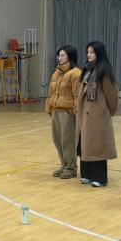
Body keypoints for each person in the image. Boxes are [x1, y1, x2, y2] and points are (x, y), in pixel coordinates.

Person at [75, 41, 119, 187]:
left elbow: (111, 95)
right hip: (84, 113)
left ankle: (100, 177)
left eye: (92, 52)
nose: (89, 55)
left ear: (99, 53)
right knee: (85, 144)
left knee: (96, 145)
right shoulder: (87, 69)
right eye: (87, 52)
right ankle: (86, 174)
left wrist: (106, 112)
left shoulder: (104, 71)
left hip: (97, 114)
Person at [46, 45, 82, 179]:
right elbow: (51, 92)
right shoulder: (56, 73)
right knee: (57, 139)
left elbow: (77, 95)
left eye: (62, 55)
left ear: (70, 57)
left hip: (68, 112)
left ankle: (71, 167)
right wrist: (49, 106)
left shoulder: (76, 73)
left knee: (68, 140)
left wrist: (76, 111)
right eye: (58, 55)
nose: (59, 58)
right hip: (56, 110)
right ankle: (63, 165)